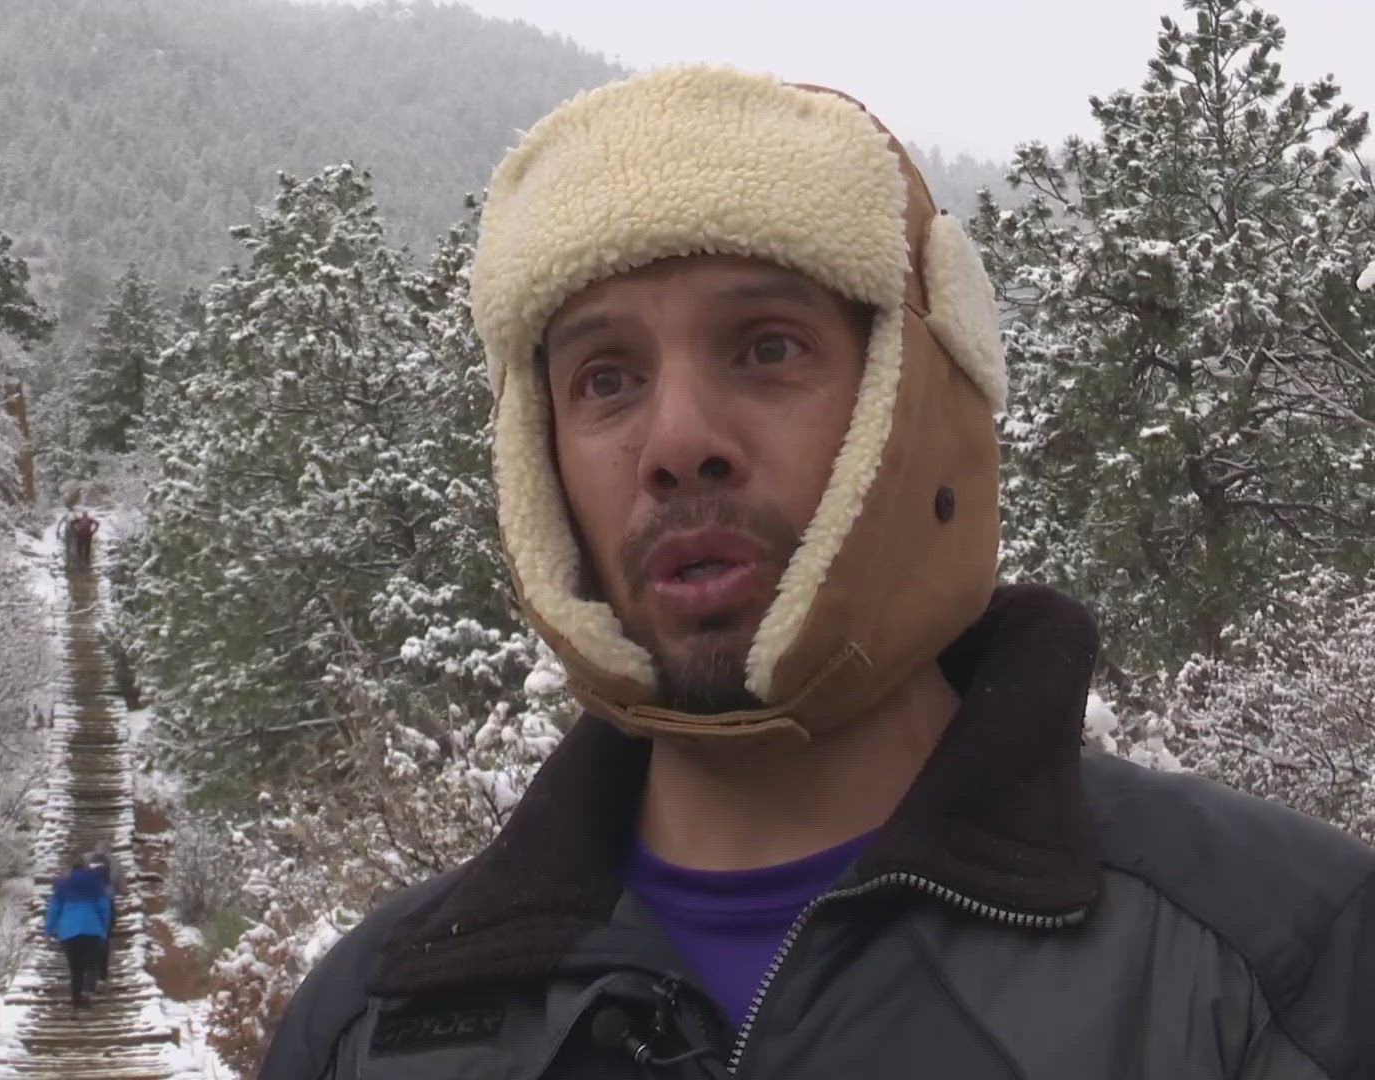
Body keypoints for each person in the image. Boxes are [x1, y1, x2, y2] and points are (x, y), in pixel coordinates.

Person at [258, 67, 1374, 1078]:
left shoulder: (1281, 965)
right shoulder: (370, 1024)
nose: (676, 441)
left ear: (917, 403)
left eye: (769, 347)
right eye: (605, 378)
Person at [44, 851, 114, 1008]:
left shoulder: (62, 885)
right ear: (85, 866)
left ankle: (76, 999)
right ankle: (87, 992)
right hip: (92, 929)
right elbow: (104, 906)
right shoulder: (95, 882)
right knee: (91, 964)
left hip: (68, 932)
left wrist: (48, 930)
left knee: (75, 968)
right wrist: (104, 927)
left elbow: (54, 909)